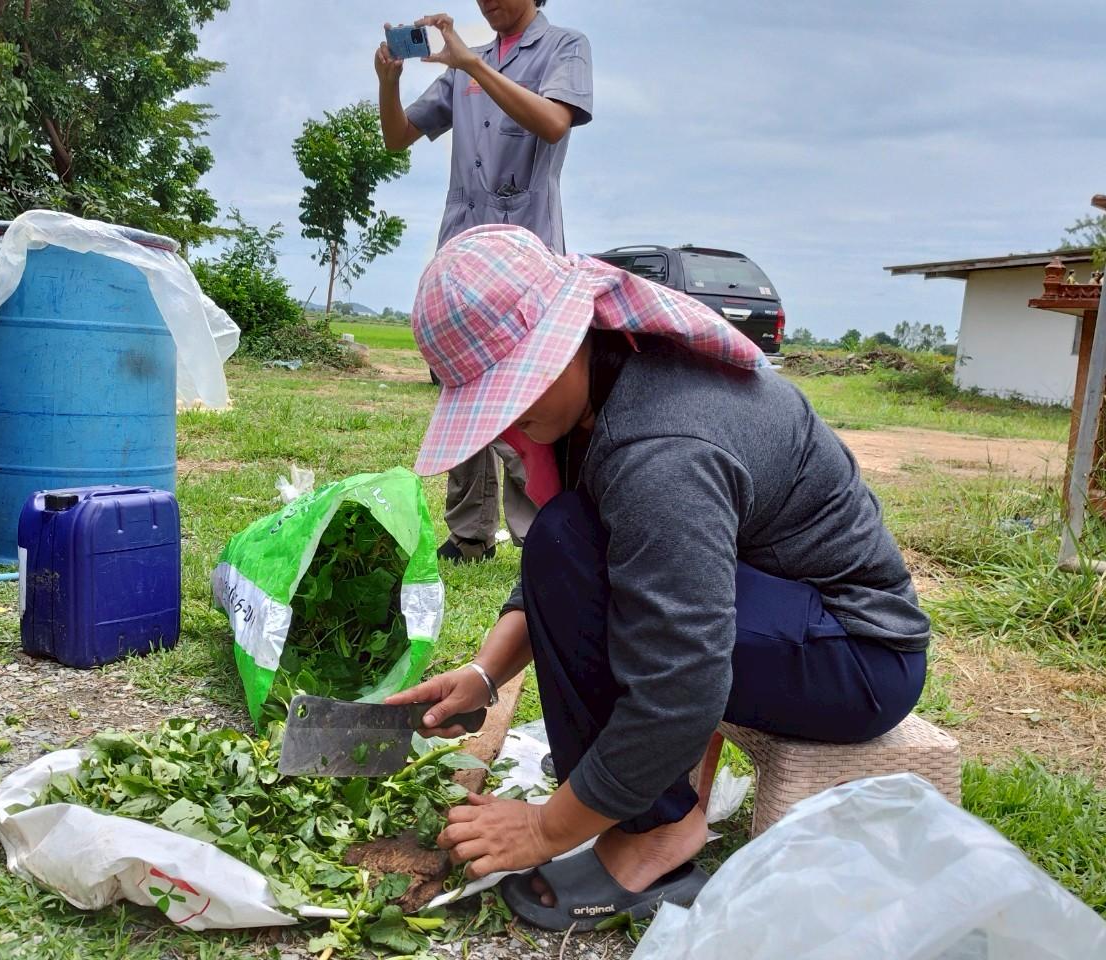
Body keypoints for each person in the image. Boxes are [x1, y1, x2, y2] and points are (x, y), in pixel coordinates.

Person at [388, 225, 931, 931]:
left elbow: (683, 679)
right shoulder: (615, 378)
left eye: (513, 388)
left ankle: (657, 839)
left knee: (573, 553)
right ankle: (652, 803)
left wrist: (548, 828)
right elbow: (579, 560)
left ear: (570, 334)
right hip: (777, 608)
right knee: (567, 540)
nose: (509, 418)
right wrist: (486, 675)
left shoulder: (661, 449)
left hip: (856, 655)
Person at [375, 0, 592, 564]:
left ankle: (536, 531)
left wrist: (472, 65)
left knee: (529, 393)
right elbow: (397, 136)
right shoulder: (463, 64)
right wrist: (388, 82)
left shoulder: (564, 47)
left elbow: (553, 121)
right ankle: (469, 532)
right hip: (463, 256)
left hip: (528, 255)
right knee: (461, 385)